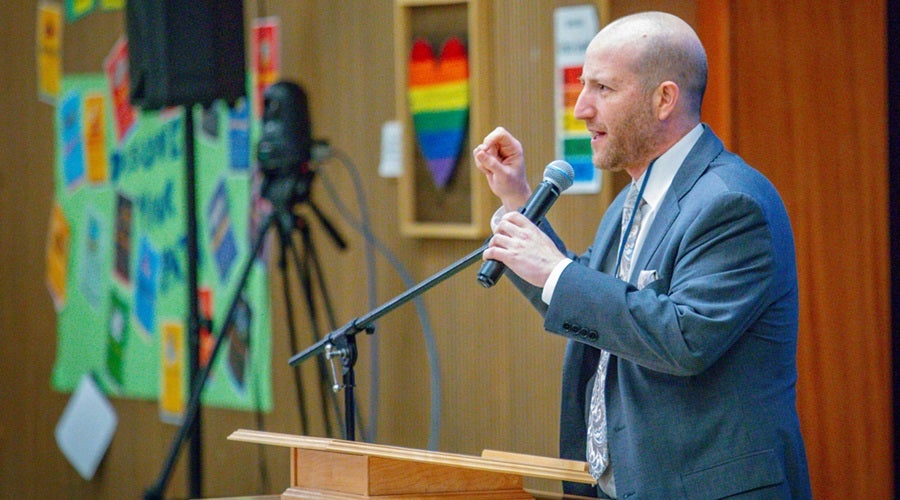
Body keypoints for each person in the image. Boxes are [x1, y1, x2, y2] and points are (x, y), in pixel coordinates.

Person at [473, 11, 811, 499]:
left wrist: (557, 271)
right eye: (582, 86)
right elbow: (588, 307)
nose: (582, 109)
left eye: (603, 89)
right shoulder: (634, 198)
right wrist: (516, 201)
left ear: (663, 99)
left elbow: (683, 338)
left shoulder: (731, 202)